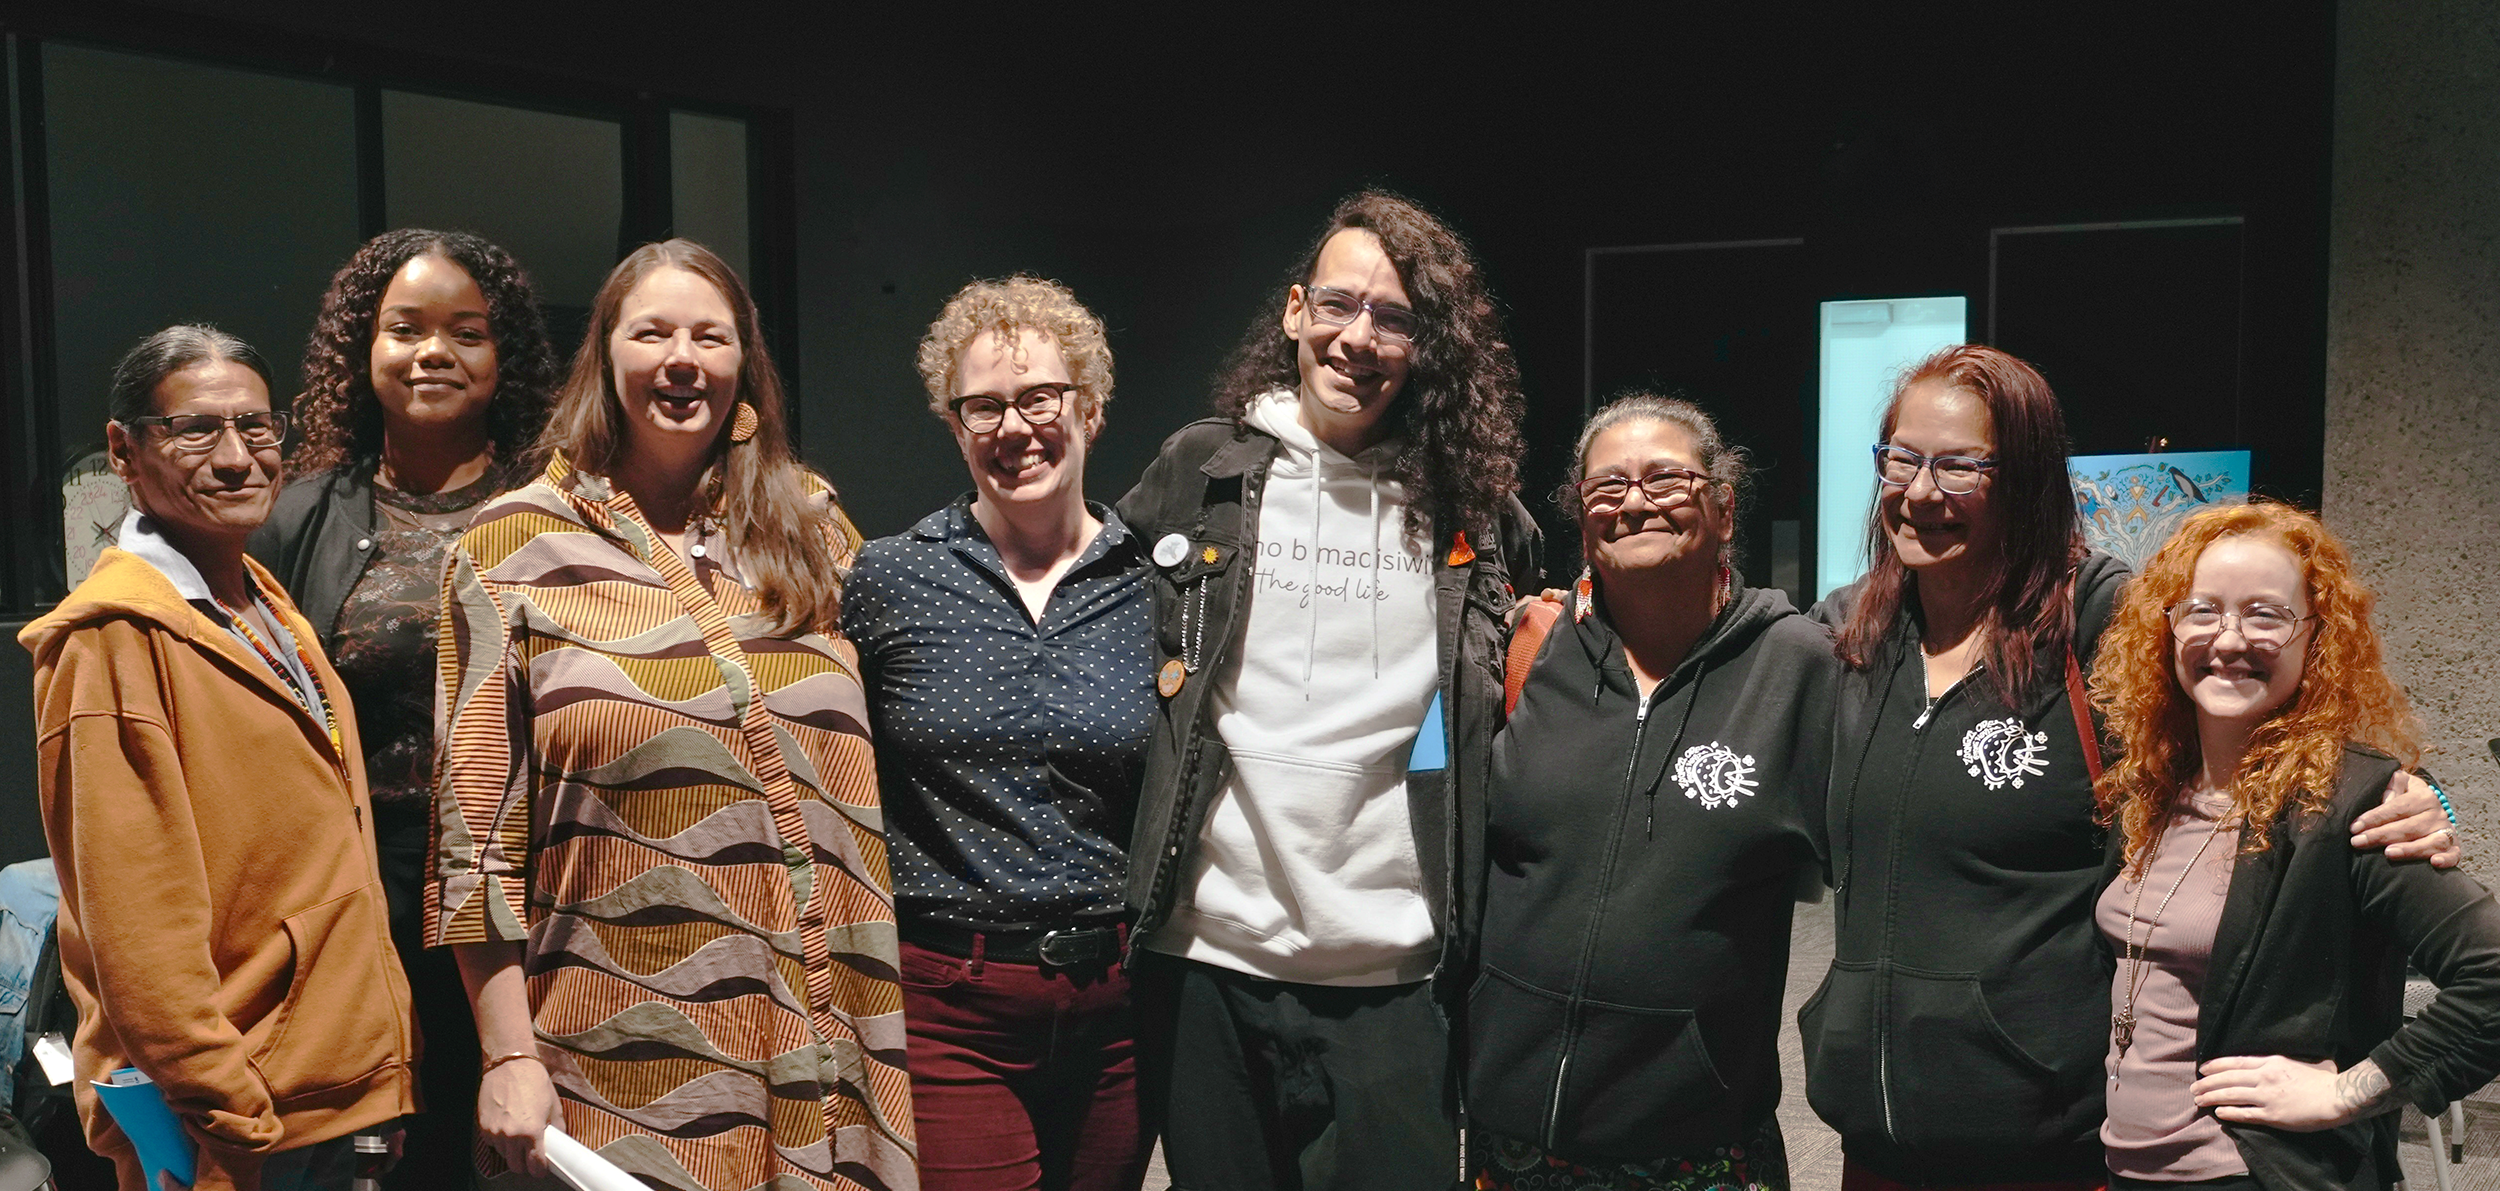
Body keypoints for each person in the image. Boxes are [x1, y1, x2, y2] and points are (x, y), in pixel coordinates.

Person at [1801, 345, 2456, 1191]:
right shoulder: (1849, 633)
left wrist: (2412, 797)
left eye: (1960, 466)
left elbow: (2273, 710)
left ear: (2026, 478)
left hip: (2053, 1140)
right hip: (1875, 1136)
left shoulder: (2101, 620)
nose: (1921, 490)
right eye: (1903, 457)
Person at [426, 240, 915, 1191]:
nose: (682, 358)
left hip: (833, 1042)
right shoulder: (507, 546)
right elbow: (472, 842)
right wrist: (509, 1057)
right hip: (626, 1051)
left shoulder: (814, 531)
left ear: (745, 365)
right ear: (606, 357)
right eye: (652, 332)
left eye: (711, 335)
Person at [1116, 190, 1540, 1191]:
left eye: (1393, 319)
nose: (1359, 339)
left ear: (1426, 347)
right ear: (1296, 312)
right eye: (1339, 305)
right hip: (1209, 956)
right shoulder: (1200, 471)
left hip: (1389, 971)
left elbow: (1480, 705)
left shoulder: (1469, 511)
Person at [23, 325, 417, 1190]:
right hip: (237, 1122)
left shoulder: (257, 600)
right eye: (197, 429)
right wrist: (229, 1118)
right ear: (124, 450)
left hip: (326, 1095)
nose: (238, 457)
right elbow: (137, 930)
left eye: (258, 426)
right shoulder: (113, 639)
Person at [248, 228, 558, 1189]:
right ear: (363, 351)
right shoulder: (300, 516)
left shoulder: (561, 508)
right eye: (405, 329)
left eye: (467, 331)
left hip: (536, 896)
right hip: (365, 903)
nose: (433, 352)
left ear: (504, 356)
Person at [1467, 395, 1836, 1191]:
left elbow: (1882, 869)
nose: (1635, 501)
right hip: (1515, 1140)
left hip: (1698, 1148)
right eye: (1608, 487)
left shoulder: (1798, 666)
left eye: (1667, 479)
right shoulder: (1533, 649)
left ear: (1724, 509)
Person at [843, 277, 1157, 1191]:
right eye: (983, 406)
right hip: (951, 1003)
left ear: (1089, 409)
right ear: (954, 425)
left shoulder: (1153, 582)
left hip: (1120, 1008)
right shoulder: (890, 578)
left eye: (1039, 398)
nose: (1014, 427)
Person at [2087, 500, 2500, 1191]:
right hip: (2127, 1166)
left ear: (2317, 636)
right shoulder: (2147, 789)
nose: (2228, 638)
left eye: (2266, 614)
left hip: (2253, 1174)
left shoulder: (2353, 804)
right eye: (2202, 610)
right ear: (2165, 629)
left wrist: (2349, 1093)